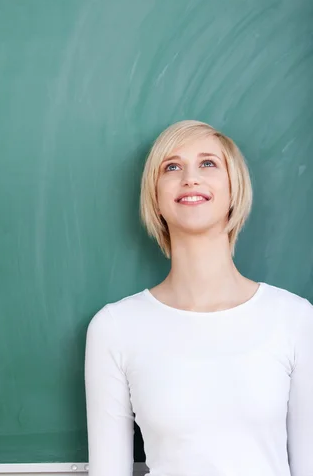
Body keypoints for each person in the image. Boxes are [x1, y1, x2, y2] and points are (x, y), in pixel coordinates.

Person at [84, 119, 313, 476]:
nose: (190, 178)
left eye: (208, 163)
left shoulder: (295, 319)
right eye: (171, 167)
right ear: (155, 198)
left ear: (234, 188)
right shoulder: (115, 328)